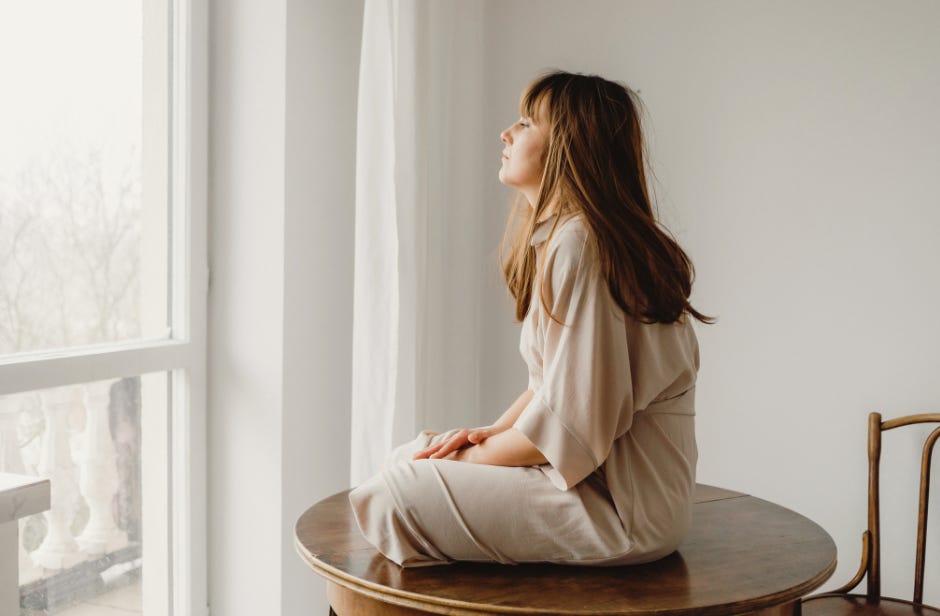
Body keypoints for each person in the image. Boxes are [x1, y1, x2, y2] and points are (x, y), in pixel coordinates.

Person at [349, 70, 713, 567]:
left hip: (621, 511)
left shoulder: (581, 244)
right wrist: (481, 436)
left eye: (524, 123)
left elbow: (573, 426)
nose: (506, 133)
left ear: (567, 146)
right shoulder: (572, 238)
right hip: (594, 484)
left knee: (396, 490)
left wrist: (471, 457)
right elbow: (552, 389)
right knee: (408, 457)